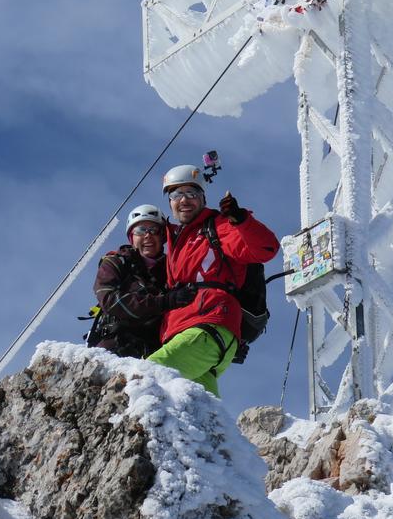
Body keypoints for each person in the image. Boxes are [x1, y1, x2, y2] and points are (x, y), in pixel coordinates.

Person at [146, 164, 279, 396]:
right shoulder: (176, 242)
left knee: (146, 376)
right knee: (199, 416)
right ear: (169, 202)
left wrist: (240, 220)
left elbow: (266, 249)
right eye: (177, 194)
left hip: (208, 326)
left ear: (203, 198)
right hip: (186, 332)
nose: (184, 200)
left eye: (191, 193)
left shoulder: (218, 227)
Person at [89, 204, 196, 358]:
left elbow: (195, 302)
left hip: (156, 354)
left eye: (154, 230)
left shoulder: (174, 271)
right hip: (114, 348)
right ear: (131, 237)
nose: (147, 235)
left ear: (163, 236)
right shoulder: (116, 263)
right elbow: (109, 299)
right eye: (140, 230)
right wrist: (164, 302)